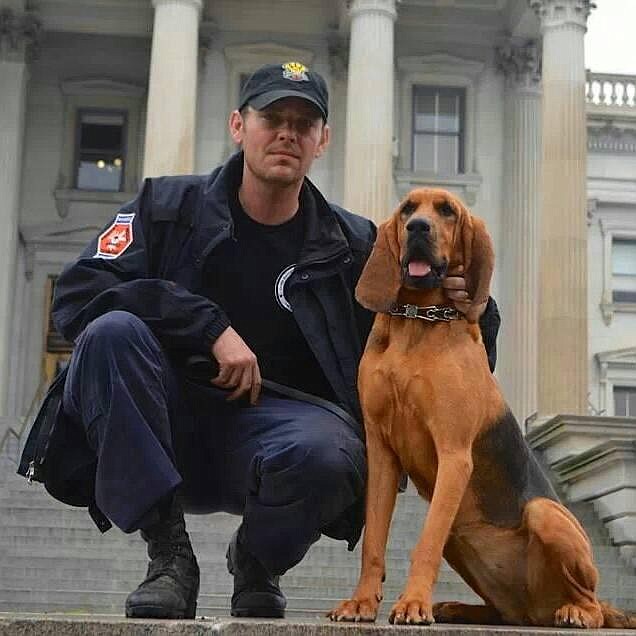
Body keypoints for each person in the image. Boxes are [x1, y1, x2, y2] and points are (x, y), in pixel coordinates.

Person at [18, 62, 501, 620]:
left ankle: (257, 561)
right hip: (159, 423)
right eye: (272, 117)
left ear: (323, 140)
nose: (287, 133)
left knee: (333, 452)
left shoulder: (354, 244)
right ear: (238, 126)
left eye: (304, 122)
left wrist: (466, 297)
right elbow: (79, 294)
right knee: (111, 333)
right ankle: (169, 556)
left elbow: (458, 340)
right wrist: (206, 325)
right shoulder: (164, 208)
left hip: (280, 439)